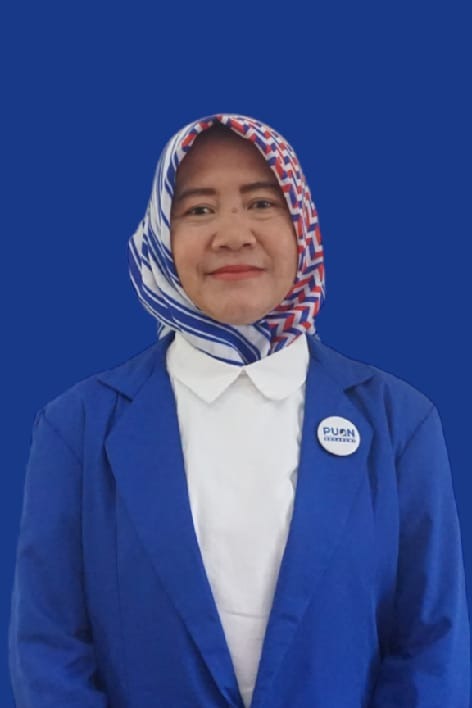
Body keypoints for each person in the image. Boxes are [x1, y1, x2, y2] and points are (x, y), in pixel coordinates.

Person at [9, 113, 470, 707]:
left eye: (261, 203)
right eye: (199, 209)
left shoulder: (400, 423)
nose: (232, 234)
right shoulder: (76, 428)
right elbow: (49, 650)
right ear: (160, 236)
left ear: (302, 227)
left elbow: (431, 646)